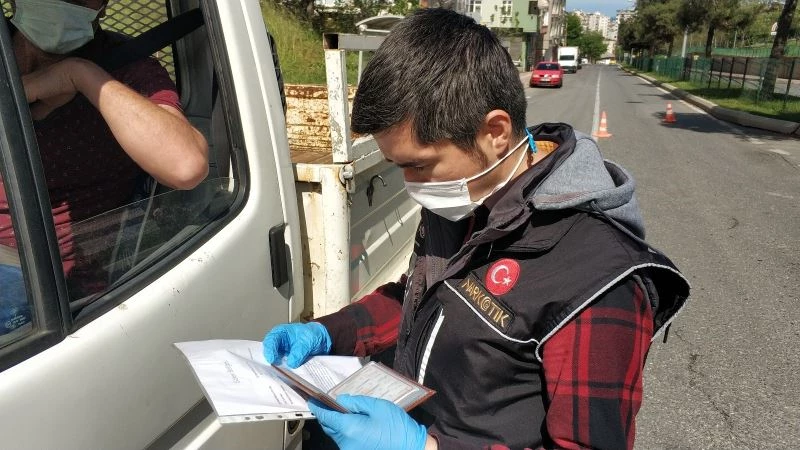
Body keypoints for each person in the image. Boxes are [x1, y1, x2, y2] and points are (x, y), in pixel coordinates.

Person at [262, 8, 690, 450]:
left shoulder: (597, 277)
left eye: (419, 165)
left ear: (496, 132)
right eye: (398, 167)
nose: (412, 186)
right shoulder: (467, 198)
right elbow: (423, 297)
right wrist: (332, 333)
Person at [0, 0, 209, 329]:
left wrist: (82, 77)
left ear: (104, 5)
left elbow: (186, 165)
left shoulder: (128, 69)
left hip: (42, 280)